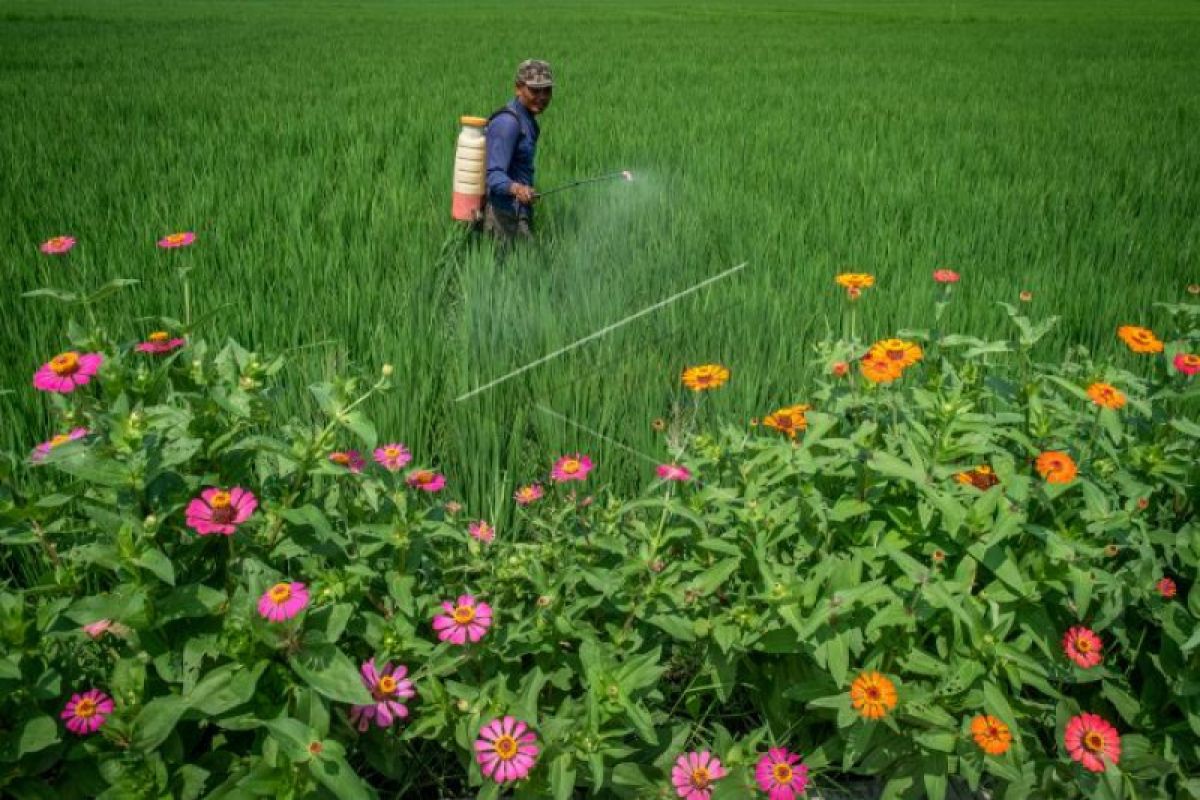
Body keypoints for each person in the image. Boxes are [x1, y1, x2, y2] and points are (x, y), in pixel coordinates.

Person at [483, 59, 553, 243]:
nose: (542, 96)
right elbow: (492, 174)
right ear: (518, 88)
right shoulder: (509, 123)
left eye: (547, 90)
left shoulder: (528, 120)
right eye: (535, 90)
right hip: (502, 215)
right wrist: (518, 188)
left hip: (517, 210)